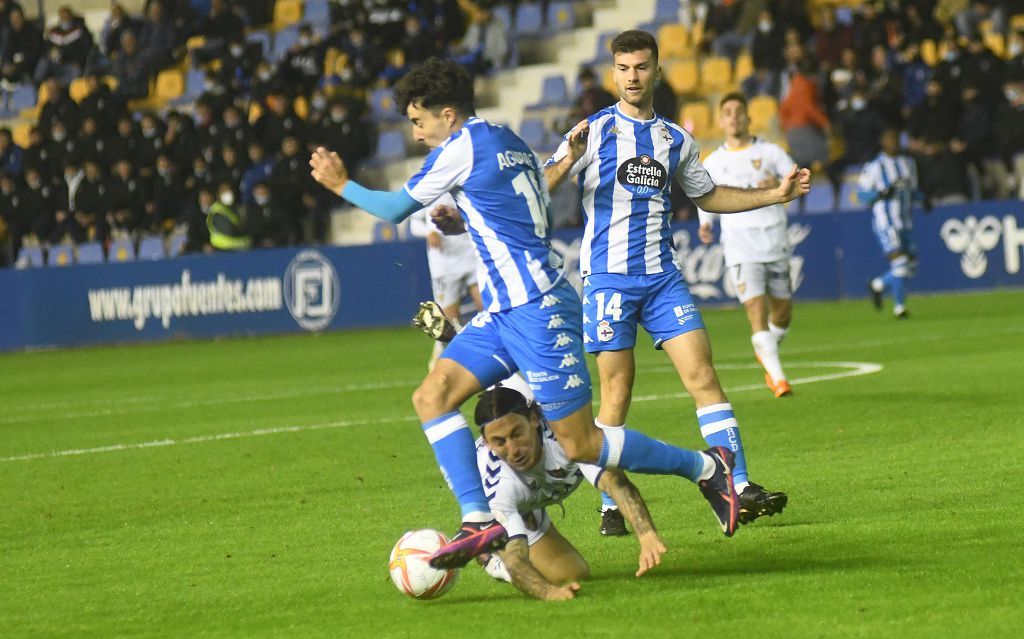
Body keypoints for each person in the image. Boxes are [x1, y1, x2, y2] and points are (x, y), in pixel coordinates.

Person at [310, 56, 742, 571]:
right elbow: (521, 211)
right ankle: (479, 518)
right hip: (504, 313)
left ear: (448, 115)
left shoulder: (460, 147)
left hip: (539, 308)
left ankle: (704, 466)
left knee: (581, 442)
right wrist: (467, 216)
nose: (416, 131)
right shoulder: (507, 140)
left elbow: (391, 209)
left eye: (418, 119)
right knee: (432, 396)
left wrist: (340, 184)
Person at [544, 31, 806, 532]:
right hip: (608, 281)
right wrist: (569, 159)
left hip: (662, 279)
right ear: (613, 73)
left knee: (703, 376)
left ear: (657, 71)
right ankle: (610, 502)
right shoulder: (592, 131)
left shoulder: (676, 139)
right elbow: (541, 187)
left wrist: (775, 195)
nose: (633, 76)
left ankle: (739, 484)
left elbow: (709, 197)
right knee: (617, 391)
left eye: (641, 67)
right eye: (623, 68)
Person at [472, 385, 667, 601]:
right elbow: (516, 559)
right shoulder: (496, 485)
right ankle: (489, 556)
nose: (513, 449)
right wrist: (549, 592)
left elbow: (614, 483)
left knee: (572, 573)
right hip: (516, 506)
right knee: (563, 575)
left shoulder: (567, 436)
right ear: (487, 442)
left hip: (536, 488)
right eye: (500, 442)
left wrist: (646, 534)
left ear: (534, 419)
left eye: (517, 434)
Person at [697, 92, 797, 398]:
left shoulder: (771, 152)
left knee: (781, 314)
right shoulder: (713, 161)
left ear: (747, 117)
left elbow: (796, 179)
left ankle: (765, 351)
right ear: (720, 120)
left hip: (774, 239)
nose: (734, 116)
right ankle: (778, 379)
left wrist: (782, 187)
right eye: (727, 112)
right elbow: (705, 194)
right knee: (756, 310)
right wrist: (705, 223)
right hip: (740, 245)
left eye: (738, 111)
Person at [407, 193, 482, 369]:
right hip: (445, 264)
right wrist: (430, 231)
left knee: (491, 311)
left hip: (473, 257)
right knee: (449, 326)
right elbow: (414, 224)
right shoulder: (429, 186)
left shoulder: (466, 180)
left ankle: (493, 365)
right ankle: (441, 355)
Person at [859, 129, 928, 319]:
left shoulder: (908, 163)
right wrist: (880, 194)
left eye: (897, 138)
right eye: (890, 139)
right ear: (883, 142)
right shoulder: (874, 167)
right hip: (886, 222)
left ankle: (878, 284)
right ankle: (900, 308)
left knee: (911, 266)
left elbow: (911, 191)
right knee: (901, 263)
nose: (894, 142)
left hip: (905, 221)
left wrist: (924, 199)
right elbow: (862, 195)